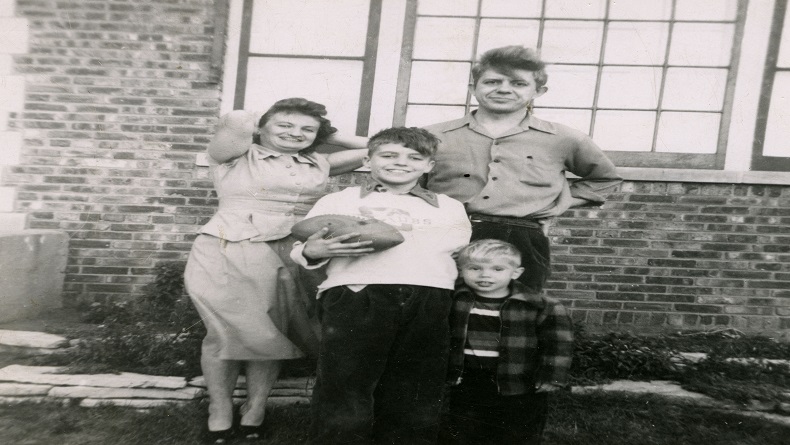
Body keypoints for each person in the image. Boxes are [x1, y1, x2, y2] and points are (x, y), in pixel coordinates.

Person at [184, 98, 368, 444]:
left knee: (273, 332)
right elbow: (236, 119)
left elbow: (380, 147)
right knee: (223, 331)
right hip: (230, 247)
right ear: (262, 127)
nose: (295, 133)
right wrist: (263, 122)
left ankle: (255, 409)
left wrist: (333, 133)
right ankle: (219, 410)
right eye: (284, 125)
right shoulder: (234, 155)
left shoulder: (320, 162)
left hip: (294, 252)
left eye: (306, 129)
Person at [290, 127, 472, 444]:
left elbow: (456, 254)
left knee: (416, 385)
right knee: (345, 383)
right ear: (368, 159)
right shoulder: (340, 200)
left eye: (414, 157)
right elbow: (307, 244)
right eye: (388, 155)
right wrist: (310, 251)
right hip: (356, 295)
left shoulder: (449, 207)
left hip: (427, 297)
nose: (400, 163)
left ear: (429, 166)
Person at [424, 45, 622, 294]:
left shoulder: (564, 138)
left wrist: (559, 203)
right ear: (473, 88)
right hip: (448, 232)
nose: (503, 89)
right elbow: (411, 183)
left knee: (518, 313)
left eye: (518, 83)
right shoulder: (433, 135)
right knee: (438, 307)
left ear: (538, 91)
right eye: (492, 81)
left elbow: (605, 179)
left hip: (522, 238)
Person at [440, 239, 574, 445]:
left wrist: (552, 376)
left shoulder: (539, 305)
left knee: (516, 432)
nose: (485, 275)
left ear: (516, 273)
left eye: (497, 269)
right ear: (461, 271)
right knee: (464, 431)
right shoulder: (455, 301)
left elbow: (558, 344)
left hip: (519, 381)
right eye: (474, 268)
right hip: (468, 379)